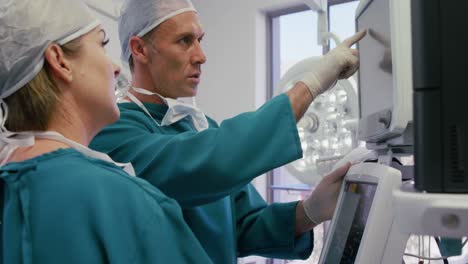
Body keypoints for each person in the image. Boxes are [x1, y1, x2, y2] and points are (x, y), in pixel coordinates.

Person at [90, 0, 366, 262]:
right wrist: (311, 84)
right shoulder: (111, 131)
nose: (201, 56)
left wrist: (310, 211)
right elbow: (209, 164)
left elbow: (244, 226)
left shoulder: (200, 126)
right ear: (139, 49)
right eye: (184, 41)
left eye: (200, 40)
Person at [0, 0, 214, 263]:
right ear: (60, 61)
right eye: (102, 44)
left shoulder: (13, 189)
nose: (115, 66)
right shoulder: (124, 201)